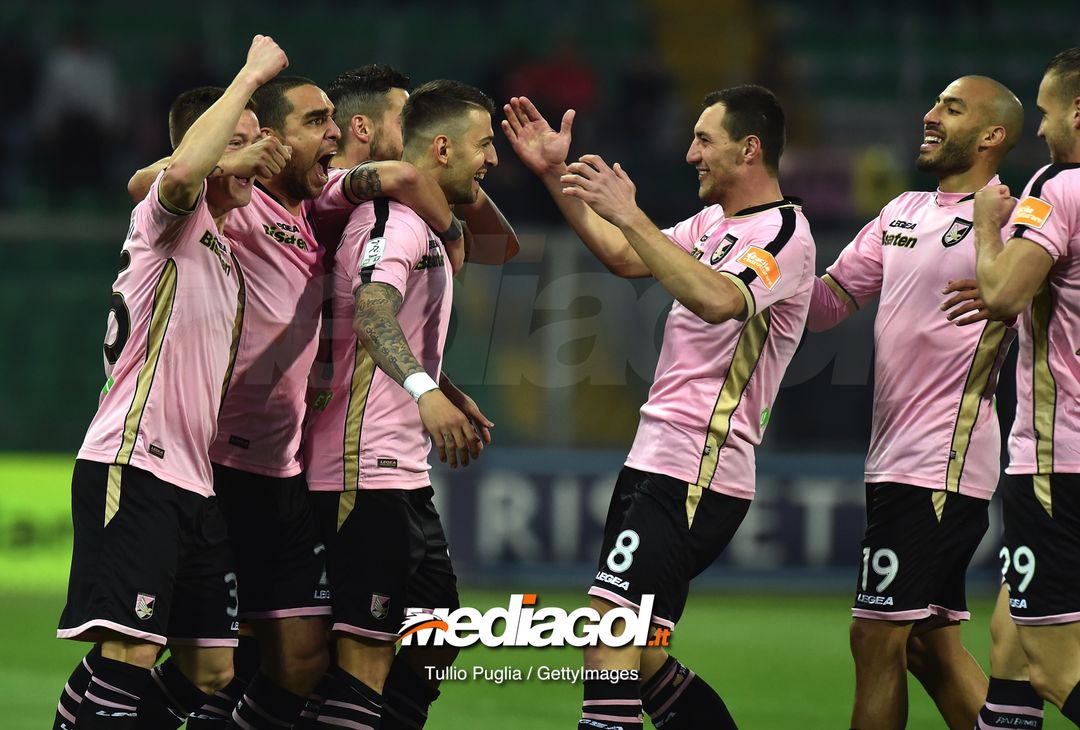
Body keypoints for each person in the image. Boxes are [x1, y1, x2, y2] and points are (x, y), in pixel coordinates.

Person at [127, 73, 463, 729]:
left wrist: (441, 380)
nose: (332, 134)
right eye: (317, 122)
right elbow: (147, 186)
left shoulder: (314, 210)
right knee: (198, 660)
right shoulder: (235, 202)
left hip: (281, 469)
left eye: (334, 122)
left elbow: (391, 192)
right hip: (219, 463)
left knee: (297, 661)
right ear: (269, 142)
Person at [503, 86, 815, 730]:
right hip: (659, 458)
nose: (689, 153)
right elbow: (622, 255)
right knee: (640, 656)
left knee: (608, 628)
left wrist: (634, 214)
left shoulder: (785, 232)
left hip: (699, 463)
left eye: (704, 139)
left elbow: (720, 300)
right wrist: (554, 175)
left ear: (749, 148)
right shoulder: (711, 226)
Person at [52, 35, 288, 730]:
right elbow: (179, 176)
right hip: (136, 459)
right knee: (128, 650)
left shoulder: (222, 244)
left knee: (210, 669)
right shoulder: (166, 222)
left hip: (195, 481)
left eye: (258, 139)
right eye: (237, 139)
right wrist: (249, 77)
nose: (255, 153)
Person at [806, 75, 1025, 730]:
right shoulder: (901, 212)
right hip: (894, 459)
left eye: (951, 108)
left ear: (992, 136)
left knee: (875, 638)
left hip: (941, 461)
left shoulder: (1016, 219)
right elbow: (824, 306)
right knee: (929, 649)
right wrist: (761, 261)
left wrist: (1006, 289)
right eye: (933, 103)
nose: (930, 115)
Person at [303, 79, 499, 729]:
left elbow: (495, 245)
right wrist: (424, 394)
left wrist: (439, 385)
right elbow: (371, 310)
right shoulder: (389, 218)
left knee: (434, 642)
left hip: (400, 472)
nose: (492, 159)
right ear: (442, 147)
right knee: (366, 656)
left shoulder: (429, 224)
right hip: (360, 464)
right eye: (484, 145)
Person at [971, 46, 1080, 727]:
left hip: (1056, 461)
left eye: (1044, 112)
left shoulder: (1059, 186)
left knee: (1051, 665)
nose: (1038, 129)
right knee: (1009, 645)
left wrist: (989, 231)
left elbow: (1002, 294)